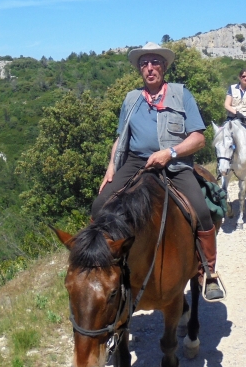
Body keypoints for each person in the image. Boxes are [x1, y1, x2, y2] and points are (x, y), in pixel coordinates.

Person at [92, 42, 224, 301]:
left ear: (164, 66)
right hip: (134, 161)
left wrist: (170, 153)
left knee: (201, 211)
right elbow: (121, 138)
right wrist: (111, 166)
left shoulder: (181, 94)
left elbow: (198, 138)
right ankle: (101, 267)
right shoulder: (131, 99)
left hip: (174, 164)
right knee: (99, 206)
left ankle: (207, 272)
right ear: (140, 69)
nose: (150, 68)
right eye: (144, 64)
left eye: (155, 63)